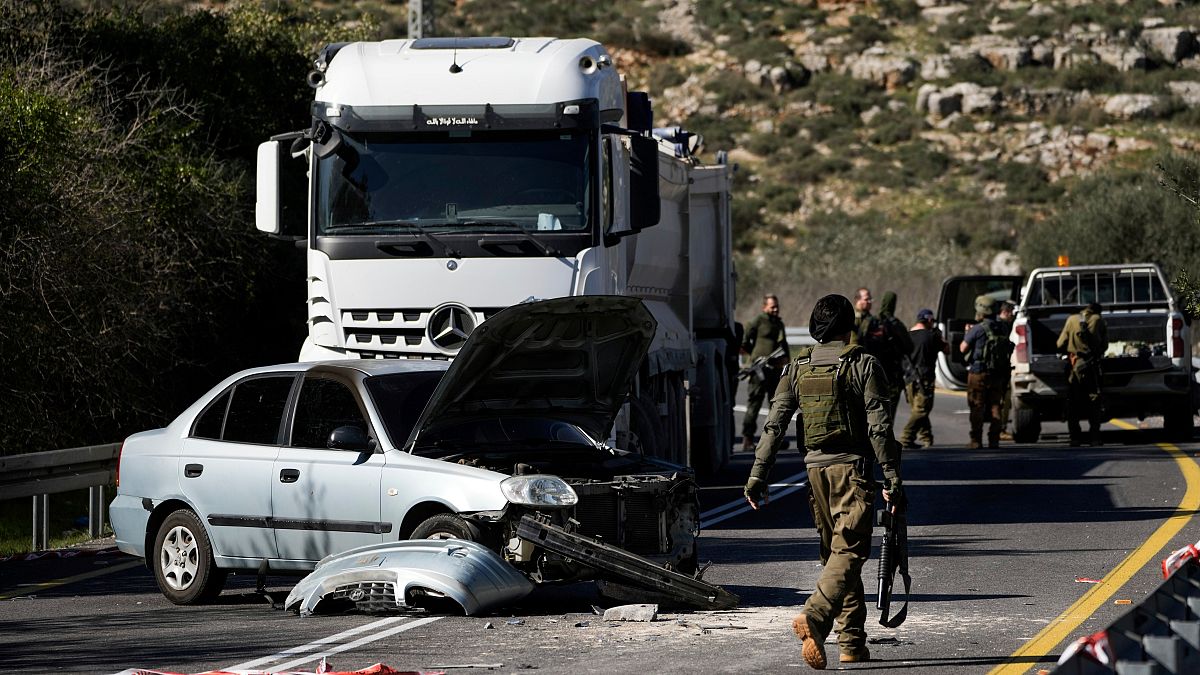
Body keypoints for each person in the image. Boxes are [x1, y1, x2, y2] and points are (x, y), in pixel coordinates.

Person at [743, 294, 904, 669]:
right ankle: (814, 617)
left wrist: (757, 474)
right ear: (850, 325)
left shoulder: (797, 366)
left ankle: (851, 643)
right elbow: (879, 427)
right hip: (853, 470)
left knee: (837, 554)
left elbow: (775, 423)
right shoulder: (863, 364)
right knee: (849, 552)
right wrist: (892, 476)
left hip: (814, 471)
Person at [959, 295, 1010, 449]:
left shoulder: (978, 328)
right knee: (995, 406)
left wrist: (967, 333)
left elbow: (963, 348)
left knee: (977, 405)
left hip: (978, 373)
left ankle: (976, 440)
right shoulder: (1003, 327)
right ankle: (994, 440)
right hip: (997, 373)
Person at [740, 294, 790, 451]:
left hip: (774, 370)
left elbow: (783, 343)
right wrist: (754, 358)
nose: (775, 309)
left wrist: (786, 361)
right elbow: (744, 341)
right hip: (759, 370)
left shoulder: (778, 323)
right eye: (772, 306)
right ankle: (747, 440)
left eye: (776, 306)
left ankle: (774, 439)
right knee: (754, 403)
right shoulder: (758, 321)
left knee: (775, 405)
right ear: (764, 307)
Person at [1057, 302, 1109, 446]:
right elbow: (1104, 345)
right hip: (1092, 366)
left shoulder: (1072, 319)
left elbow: (1060, 343)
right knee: (1094, 400)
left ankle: (1075, 437)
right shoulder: (1098, 320)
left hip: (1075, 366)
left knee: (1073, 401)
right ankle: (1095, 438)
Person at [858, 291, 913, 426]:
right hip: (892, 374)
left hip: (871, 371)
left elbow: (860, 342)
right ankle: (884, 440)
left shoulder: (870, 322)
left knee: (871, 408)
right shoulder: (895, 324)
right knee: (888, 411)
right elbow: (909, 346)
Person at [899, 308, 949, 449]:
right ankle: (906, 438)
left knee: (918, 409)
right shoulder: (931, 336)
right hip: (924, 378)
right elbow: (947, 350)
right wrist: (941, 337)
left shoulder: (907, 336)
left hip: (908, 378)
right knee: (921, 410)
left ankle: (926, 437)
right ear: (928, 320)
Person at [995, 301, 1016, 441]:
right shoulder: (1001, 326)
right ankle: (999, 430)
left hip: (1000, 368)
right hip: (1000, 369)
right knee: (1003, 400)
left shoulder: (995, 324)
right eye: (1011, 313)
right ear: (1006, 312)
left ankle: (998, 430)